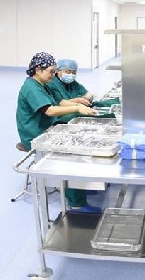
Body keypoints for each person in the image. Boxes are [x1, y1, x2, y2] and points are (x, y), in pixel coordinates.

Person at [16, 52, 101, 213]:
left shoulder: (44, 84)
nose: (53, 75)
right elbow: (50, 110)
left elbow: (60, 102)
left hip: (47, 127)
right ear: (38, 70)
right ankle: (77, 203)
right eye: (51, 71)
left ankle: (80, 185)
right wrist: (77, 108)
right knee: (70, 153)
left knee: (79, 127)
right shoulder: (31, 88)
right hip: (35, 134)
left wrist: (79, 105)